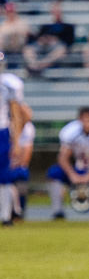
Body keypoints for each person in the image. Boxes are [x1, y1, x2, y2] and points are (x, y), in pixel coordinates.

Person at [0, 69, 27, 226]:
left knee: (4, 177)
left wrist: (16, 141)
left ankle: (5, 216)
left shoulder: (8, 84)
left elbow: (16, 114)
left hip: (1, 130)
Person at [22, 1, 75, 74]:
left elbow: (69, 41)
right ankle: (33, 65)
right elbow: (38, 37)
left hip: (58, 47)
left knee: (60, 51)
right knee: (28, 49)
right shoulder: (46, 25)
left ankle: (41, 65)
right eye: (54, 10)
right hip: (44, 45)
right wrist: (44, 39)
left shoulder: (67, 26)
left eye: (58, 10)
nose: (56, 12)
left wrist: (56, 39)